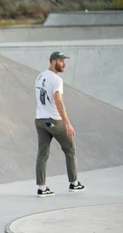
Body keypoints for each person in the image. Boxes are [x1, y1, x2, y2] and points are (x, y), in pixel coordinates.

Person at [34, 51, 85, 197]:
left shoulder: (39, 77)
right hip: (53, 121)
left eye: (64, 61)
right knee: (70, 150)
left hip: (39, 120)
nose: (64, 64)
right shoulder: (56, 80)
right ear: (53, 62)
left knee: (42, 154)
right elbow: (58, 101)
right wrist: (68, 124)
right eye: (61, 61)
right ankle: (74, 184)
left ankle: (41, 188)